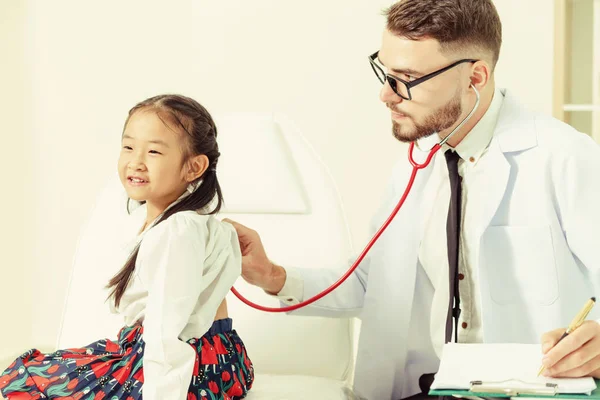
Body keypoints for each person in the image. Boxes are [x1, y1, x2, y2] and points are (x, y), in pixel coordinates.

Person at [225, 1, 600, 399]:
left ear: (475, 76)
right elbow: (377, 284)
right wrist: (272, 275)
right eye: (385, 72)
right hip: (430, 390)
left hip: (533, 390)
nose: (386, 95)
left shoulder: (565, 157)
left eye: (407, 78)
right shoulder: (417, 163)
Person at [0, 94, 254, 400]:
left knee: (28, 380)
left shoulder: (176, 232)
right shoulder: (197, 224)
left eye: (154, 151)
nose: (136, 161)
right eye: (129, 147)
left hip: (190, 367)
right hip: (225, 360)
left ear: (193, 167)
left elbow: (165, 331)